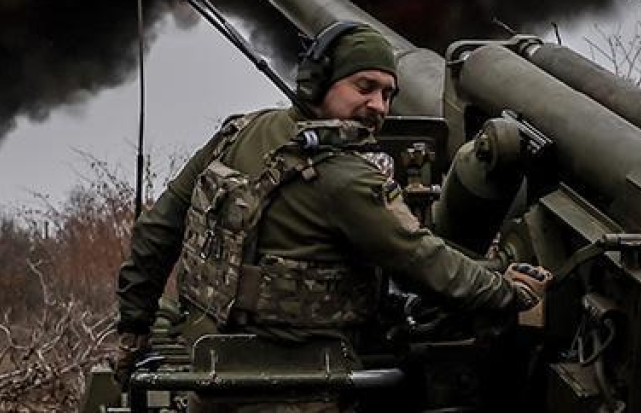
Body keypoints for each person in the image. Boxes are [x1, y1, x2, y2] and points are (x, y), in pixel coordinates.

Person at [114, 22, 549, 400]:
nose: (378, 106)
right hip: (301, 385)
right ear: (318, 82)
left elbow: (157, 229)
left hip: (210, 371)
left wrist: (133, 329)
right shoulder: (347, 178)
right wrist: (505, 289)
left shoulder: (237, 132)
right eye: (364, 87)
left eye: (387, 94)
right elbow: (424, 262)